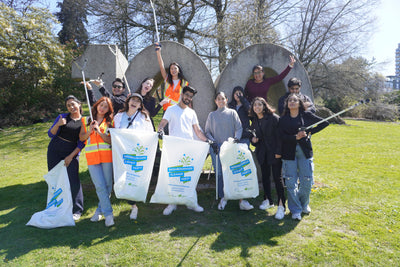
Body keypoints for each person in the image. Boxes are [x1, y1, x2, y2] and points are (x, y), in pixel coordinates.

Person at [157, 86, 208, 215]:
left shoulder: (192, 112)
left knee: (189, 176)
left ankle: (192, 203)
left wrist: (207, 141)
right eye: (186, 95)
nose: (188, 98)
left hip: (189, 148)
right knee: (173, 175)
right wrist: (160, 129)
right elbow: (163, 122)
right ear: (181, 94)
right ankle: (172, 204)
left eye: (190, 97)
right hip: (174, 148)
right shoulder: (171, 109)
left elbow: (197, 131)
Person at [279, 93, 329, 220]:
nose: (292, 102)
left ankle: (303, 203)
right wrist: (295, 137)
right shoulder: (283, 119)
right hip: (289, 153)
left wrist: (308, 133)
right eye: (290, 100)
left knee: (307, 180)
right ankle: (295, 210)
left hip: (304, 152)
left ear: (299, 103)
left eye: (295, 100)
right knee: (290, 182)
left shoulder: (306, 115)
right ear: (287, 104)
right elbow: (281, 136)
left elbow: (324, 123)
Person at [205, 92, 254, 211]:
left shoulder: (232, 113)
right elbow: (207, 132)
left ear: (226, 100)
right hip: (217, 148)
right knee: (220, 173)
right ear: (215, 101)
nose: (221, 101)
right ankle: (223, 197)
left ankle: (241, 199)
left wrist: (236, 138)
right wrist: (213, 142)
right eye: (218, 99)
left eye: (223, 99)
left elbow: (239, 128)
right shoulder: (212, 115)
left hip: (231, 147)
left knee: (235, 172)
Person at [114, 93, 154, 220]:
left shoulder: (144, 117)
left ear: (140, 105)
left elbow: (150, 134)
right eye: (133, 100)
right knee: (125, 178)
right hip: (123, 153)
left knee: (135, 178)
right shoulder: (119, 116)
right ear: (128, 101)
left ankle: (134, 205)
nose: (135, 102)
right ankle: (132, 204)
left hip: (137, 153)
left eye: (138, 101)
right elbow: (114, 133)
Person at [47, 95, 84, 221]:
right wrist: (58, 124)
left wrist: (70, 157)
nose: (71, 107)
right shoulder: (62, 117)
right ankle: (58, 206)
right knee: (55, 178)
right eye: (68, 105)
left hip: (71, 151)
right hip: (54, 150)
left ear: (79, 104)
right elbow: (50, 134)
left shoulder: (84, 121)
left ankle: (77, 210)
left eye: (73, 104)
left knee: (73, 180)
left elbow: (82, 143)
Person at [79, 97, 115, 227]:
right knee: (100, 186)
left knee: (107, 187)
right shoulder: (86, 120)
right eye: (101, 105)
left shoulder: (110, 122)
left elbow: (110, 140)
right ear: (97, 105)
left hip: (106, 157)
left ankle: (99, 210)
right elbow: (82, 137)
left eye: (106, 107)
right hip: (92, 158)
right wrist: (90, 130)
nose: (102, 108)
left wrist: (99, 131)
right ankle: (109, 214)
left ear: (108, 110)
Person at [249, 97, 286, 220]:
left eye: (259, 105)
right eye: (255, 105)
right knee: (265, 177)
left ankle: (281, 205)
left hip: (274, 152)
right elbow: (254, 138)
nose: (257, 107)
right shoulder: (254, 121)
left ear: (264, 106)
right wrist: (253, 141)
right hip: (262, 153)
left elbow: (280, 137)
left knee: (277, 178)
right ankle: (268, 200)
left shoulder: (273, 118)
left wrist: (279, 152)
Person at [155, 42, 189, 111]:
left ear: (179, 70)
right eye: (171, 68)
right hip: (167, 110)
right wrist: (158, 53)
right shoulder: (167, 80)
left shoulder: (184, 82)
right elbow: (161, 67)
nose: (173, 70)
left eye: (175, 68)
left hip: (178, 110)